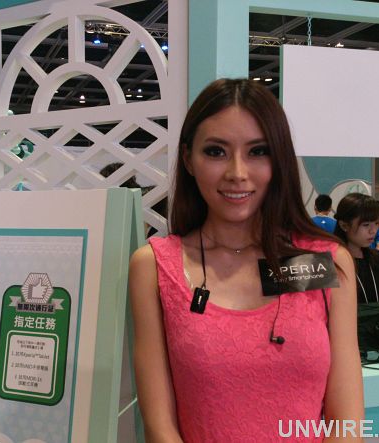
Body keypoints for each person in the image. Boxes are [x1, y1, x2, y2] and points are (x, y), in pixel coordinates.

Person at [129, 79, 363, 442]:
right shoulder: (156, 267)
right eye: (216, 151)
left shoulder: (327, 261)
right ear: (188, 159)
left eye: (258, 151)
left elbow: (346, 421)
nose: (237, 173)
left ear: (279, 159)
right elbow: (160, 427)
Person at [334, 193, 379, 304]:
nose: (373, 230)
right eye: (366, 225)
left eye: (376, 223)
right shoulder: (330, 264)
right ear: (344, 225)